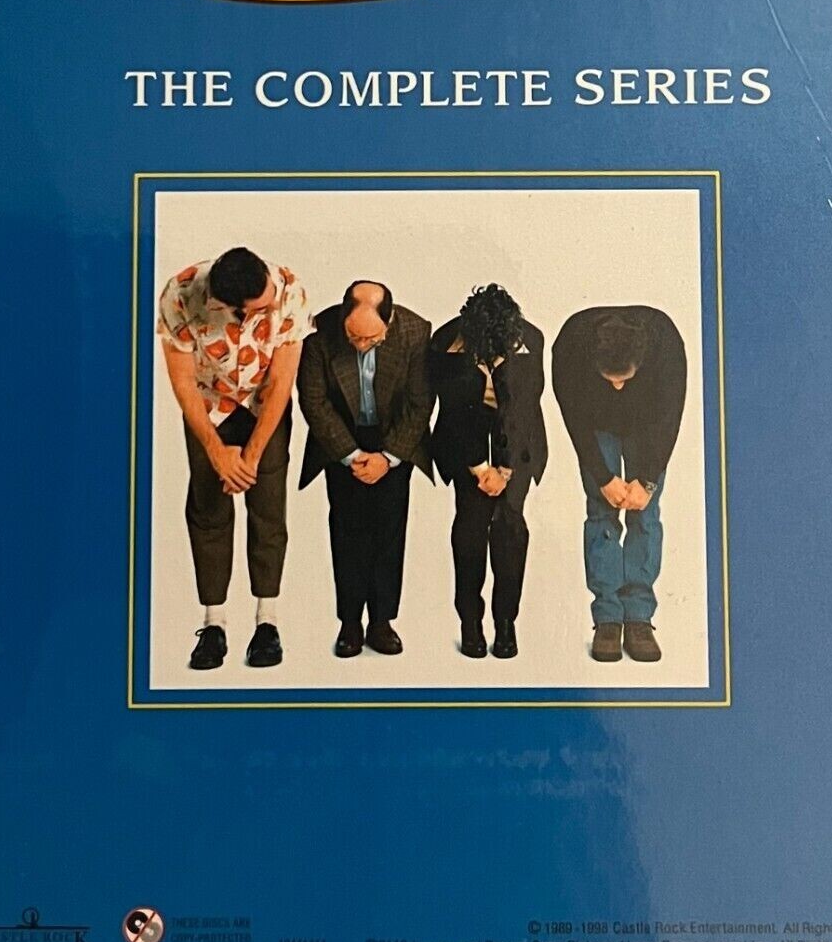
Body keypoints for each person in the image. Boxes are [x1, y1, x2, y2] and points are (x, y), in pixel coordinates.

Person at [157, 246, 310, 671]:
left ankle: (267, 621)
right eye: (260, 307)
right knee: (208, 511)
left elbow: (281, 383)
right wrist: (215, 451)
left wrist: (252, 456)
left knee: (268, 511)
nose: (272, 305)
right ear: (231, 308)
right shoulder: (179, 294)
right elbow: (183, 382)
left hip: (265, 408)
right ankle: (214, 624)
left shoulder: (289, 290)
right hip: (209, 407)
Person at [297, 282, 433, 657]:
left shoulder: (415, 332)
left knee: (389, 532)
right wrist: (351, 454)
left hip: (394, 439)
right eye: (353, 337)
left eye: (371, 339)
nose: (360, 345)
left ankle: (381, 622)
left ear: (389, 323)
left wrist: (388, 457)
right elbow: (313, 400)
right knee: (347, 532)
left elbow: (421, 403)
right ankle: (350, 623)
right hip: (341, 439)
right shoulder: (319, 333)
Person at [551, 306, 687, 663]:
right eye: (609, 379)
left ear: (641, 362)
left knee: (645, 514)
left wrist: (648, 481)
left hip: (648, 426)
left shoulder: (666, 343)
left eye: (624, 379)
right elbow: (574, 419)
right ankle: (608, 618)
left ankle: (639, 616)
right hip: (596, 424)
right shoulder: (571, 343)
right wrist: (603, 477)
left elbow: (669, 417)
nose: (617, 386)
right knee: (601, 511)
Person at [430, 285, 547, 660]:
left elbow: (521, 410)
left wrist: (506, 469)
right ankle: (470, 621)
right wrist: (481, 468)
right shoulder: (446, 344)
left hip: (517, 441)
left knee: (510, 529)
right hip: (466, 435)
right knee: (470, 529)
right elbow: (454, 414)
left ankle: (506, 622)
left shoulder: (530, 340)